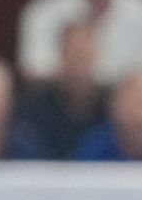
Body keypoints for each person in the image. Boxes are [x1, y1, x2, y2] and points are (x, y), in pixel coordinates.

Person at [15, 19, 108, 159]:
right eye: (74, 53)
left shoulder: (110, 104)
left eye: (84, 53)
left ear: (95, 54)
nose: (79, 60)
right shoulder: (36, 102)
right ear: (61, 53)